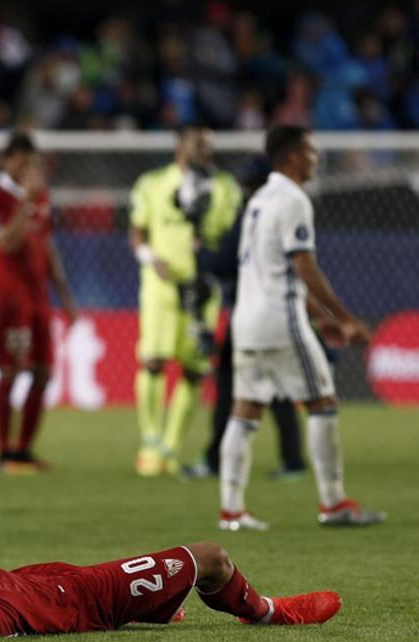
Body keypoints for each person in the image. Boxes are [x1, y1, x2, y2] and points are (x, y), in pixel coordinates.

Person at [0, 503, 342, 642]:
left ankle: (159, 609)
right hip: (80, 600)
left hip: (37, 582)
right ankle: (270, 613)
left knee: (164, 585)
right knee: (211, 557)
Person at [218, 125, 385, 530]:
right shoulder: (294, 199)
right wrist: (344, 318)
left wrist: (321, 318)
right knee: (322, 401)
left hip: (247, 320)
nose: (316, 158)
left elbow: (269, 272)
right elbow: (302, 266)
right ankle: (333, 503)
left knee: (245, 410)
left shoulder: (258, 199)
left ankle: (231, 510)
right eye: (310, 151)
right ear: (292, 156)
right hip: (281, 320)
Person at [129, 124, 242, 477]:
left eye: (208, 145)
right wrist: (149, 257)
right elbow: (137, 230)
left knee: (194, 370)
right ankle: (150, 442)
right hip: (162, 284)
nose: (204, 151)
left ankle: (171, 447)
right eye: (198, 144)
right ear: (181, 146)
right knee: (154, 361)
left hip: (204, 287)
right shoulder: (152, 183)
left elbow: (232, 235)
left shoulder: (225, 187)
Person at [191, 157, 305, 482]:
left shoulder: (252, 215)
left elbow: (225, 262)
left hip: (252, 314)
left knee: (228, 388)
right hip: (278, 310)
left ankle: (215, 460)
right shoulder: (283, 211)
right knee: (280, 389)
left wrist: (201, 252)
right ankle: (293, 460)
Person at [0, 132, 77, 474]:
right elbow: (6, 243)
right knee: (11, 371)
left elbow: (46, 246)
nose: (28, 167)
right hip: (9, 299)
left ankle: (24, 451)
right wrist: (25, 201)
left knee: (44, 372)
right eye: (21, 160)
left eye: (31, 161)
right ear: (5, 160)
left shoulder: (40, 197)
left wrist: (65, 297)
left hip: (38, 300)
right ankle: (5, 454)